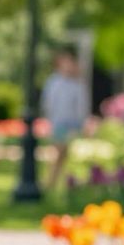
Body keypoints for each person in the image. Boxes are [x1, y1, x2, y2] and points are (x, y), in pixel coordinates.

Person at [39, 46, 88, 185]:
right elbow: (48, 103)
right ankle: (50, 181)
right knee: (59, 152)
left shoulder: (77, 83)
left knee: (66, 155)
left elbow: (81, 105)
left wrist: (82, 122)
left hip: (73, 123)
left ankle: (57, 181)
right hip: (59, 122)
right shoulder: (54, 82)